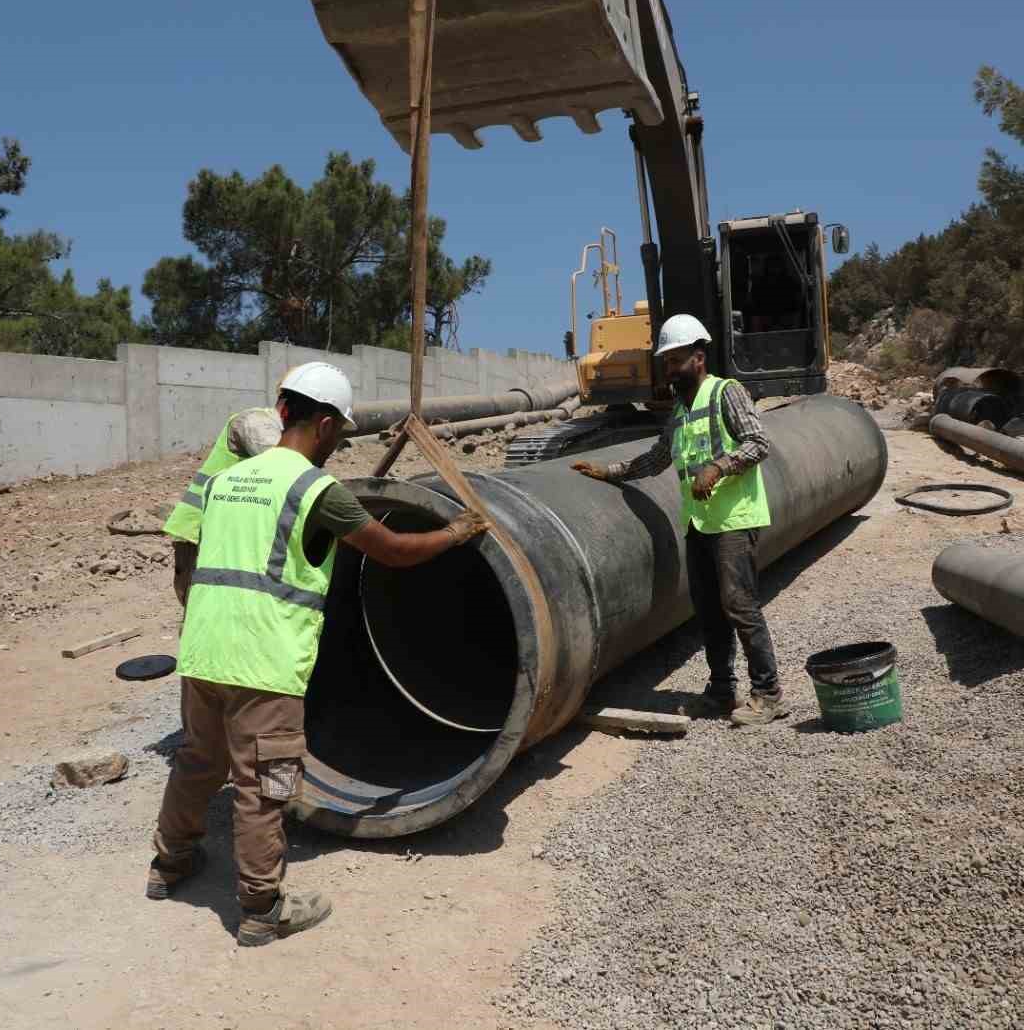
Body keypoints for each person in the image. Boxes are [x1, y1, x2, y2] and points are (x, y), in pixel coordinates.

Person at [145, 361, 488, 947]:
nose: (338, 446)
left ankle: (169, 863)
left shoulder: (227, 482)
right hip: (263, 662)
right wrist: (456, 533)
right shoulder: (315, 490)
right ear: (326, 425)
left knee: (199, 760)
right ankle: (262, 908)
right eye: (341, 435)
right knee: (265, 783)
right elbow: (393, 550)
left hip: (202, 651)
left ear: (282, 410)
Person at [571, 314, 788, 727]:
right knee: (708, 609)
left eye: (676, 360)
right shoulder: (680, 411)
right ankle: (721, 691)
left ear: (698, 358)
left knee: (739, 605)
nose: (669, 368)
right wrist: (609, 472)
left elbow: (758, 443)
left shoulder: (726, 392)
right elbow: (657, 458)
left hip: (734, 519)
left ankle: (769, 693)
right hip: (699, 523)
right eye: (666, 361)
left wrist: (718, 467)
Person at [161, 406, 285, 606]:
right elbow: (285, 466)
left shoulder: (270, 425)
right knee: (205, 608)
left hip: (217, 531)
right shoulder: (255, 421)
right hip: (199, 531)